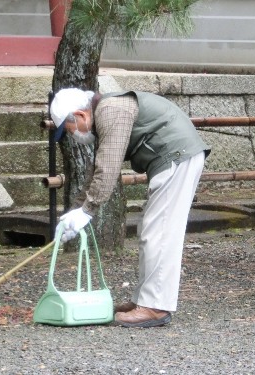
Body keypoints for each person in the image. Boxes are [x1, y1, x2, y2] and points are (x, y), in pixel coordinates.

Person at [50, 88, 211, 327]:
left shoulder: (110, 110)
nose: (73, 136)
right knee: (152, 230)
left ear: (81, 115)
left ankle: (155, 307)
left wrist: (87, 211)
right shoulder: (106, 113)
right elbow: (97, 171)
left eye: (69, 130)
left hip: (176, 154)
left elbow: (108, 168)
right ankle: (144, 301)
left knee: (160, 233)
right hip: (173, 156)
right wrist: (75, 211)